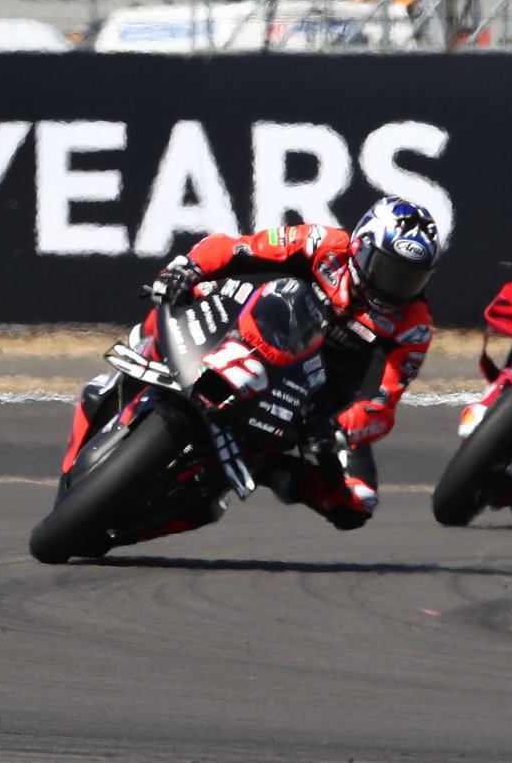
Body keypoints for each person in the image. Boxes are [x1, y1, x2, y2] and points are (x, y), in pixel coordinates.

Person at [138, 195, 443, 529]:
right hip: (256, 331)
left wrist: (338, 430)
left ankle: (267, 467)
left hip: (320, 401)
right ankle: (150, 354)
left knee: (356, 504)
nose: (394, 287)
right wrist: (187, 270)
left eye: (409, 278)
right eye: (388, 270)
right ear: (361, 246)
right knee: (189, 294)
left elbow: (382, 405)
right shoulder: (323, 243)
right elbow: (240, 248)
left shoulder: (414, 325)